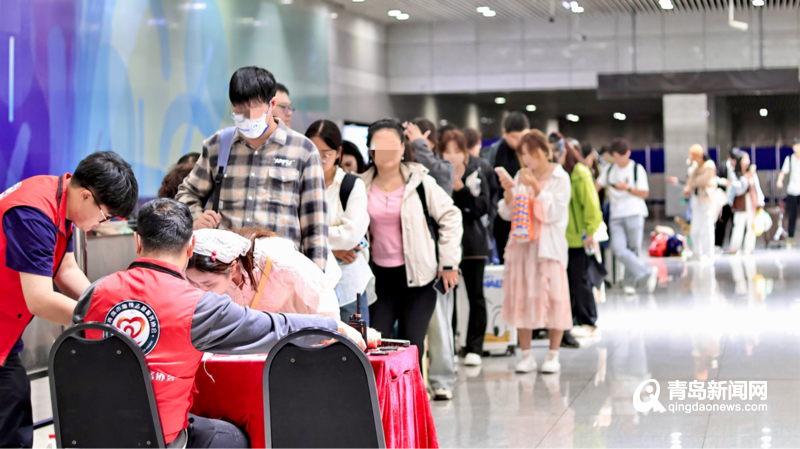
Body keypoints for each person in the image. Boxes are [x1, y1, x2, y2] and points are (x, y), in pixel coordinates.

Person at [73, 199, 369, 449]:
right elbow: (272, 328)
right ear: (191, 246)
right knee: (235, 437)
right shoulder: (197, 306)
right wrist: (333, 326)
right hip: (158, 438)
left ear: (137, 242)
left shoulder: (94, 292)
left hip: (88, 434)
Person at [0, 151, 138, 449]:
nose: (101, 224)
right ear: (87, 196)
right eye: (105, 216)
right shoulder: (33, 215)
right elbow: (40, 299)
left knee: (13, 408)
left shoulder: (60, 199)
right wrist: (102, 321)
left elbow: (65, 269)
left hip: (6, 330)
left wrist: (104, 305)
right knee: (11, 411)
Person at [175, 66, 329, 271]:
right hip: (225, 271)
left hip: (280, 273)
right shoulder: (218, 145)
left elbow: (315, 228)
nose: (246, 117)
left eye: (253, 110)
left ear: (271, 104)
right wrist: (196, 219)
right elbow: (187, 193)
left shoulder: (303, 151)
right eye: (239, 111)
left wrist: (315, 280)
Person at [361, 119, 463, 371]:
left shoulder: (420, 182)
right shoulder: (359, 185)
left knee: (412, 345)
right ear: (370, 150)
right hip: (378, 279)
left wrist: (448, 264)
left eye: (392, 144)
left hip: (419, 280)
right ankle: (383, 397)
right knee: (376, 346)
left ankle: (412, 396)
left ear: (402, 148)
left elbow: (451, 217)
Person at [497, 130, 572, 374]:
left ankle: (553, 353)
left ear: (544, 151)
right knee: (523, 296)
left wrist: (537, 189)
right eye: (524, 154)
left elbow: (556, 212)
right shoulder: (522, 175)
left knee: (554, 298)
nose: (527, 159)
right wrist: (509, 191)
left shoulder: (560, 176)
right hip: (523, 245)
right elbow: (509, 213)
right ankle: (526, 354)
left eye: (531, 153)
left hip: (548, 247)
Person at [186, 227, 340, 318]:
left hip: (296, 340)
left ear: (232, 267)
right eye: (192, 282)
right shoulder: (197, 278)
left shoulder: (279, 262)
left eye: (208, 284)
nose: (200, 290)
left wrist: (332, 333)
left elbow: (323, 299)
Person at [306, 120, 373, 322]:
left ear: (338, 152)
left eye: (325, 154)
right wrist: (332, 250)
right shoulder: (299, 184)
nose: (318, 159)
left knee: (354, 340)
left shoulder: (351, 185)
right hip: (308, 285)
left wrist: (313, 240)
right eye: (312, 151)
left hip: (348, 284)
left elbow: (350, 236)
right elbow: (291, 233)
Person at [438, 129, 491, 368]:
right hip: (447, 247)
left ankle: (475, 347)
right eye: (447, 151)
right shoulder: (437, 177)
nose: (452, 155)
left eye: (457, 151)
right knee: (448, 298)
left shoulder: (475, 174)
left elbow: (483, 206)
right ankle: (450, 347)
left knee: (475, 296)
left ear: (465, 152)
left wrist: (462, 190)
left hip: (473, 245)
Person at [596, 138, 657, 295]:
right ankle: (647, 271)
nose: (618, 160)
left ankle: (630, 283)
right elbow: (597, 186)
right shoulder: (609, 169)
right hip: (616, 215)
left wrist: (627, 189)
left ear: (628, 154)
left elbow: (644, 193)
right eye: (615, 157)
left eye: (620, 157)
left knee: (633, 249)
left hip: (634, 213)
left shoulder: (637, 169)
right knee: (618, 249)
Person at [559, 137, 602, 343]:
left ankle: (588, 321)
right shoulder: (558, 174)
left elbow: (592, 205)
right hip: (560, 239)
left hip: (578, 238)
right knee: (567, 283)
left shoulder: (580, 173)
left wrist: (590, 233)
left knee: (580, 281)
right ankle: (573, 320)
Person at [481, 112, 531, 263]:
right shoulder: (493, 153)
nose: (518, 141)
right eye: (514, 137)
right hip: (501, 214)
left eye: (522, 136)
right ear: (504, 133)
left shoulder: (532, 152)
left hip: (526, 213)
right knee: (506, 258)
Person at [682, 145, 717, 261]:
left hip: (705, 198)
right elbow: (690, 180)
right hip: (696, 198)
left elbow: (702, 180)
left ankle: (708, 253)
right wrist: (687, 188)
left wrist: (691, 186)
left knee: (706, 226)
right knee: (695, 226)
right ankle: (697, 252)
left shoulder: (709, 165)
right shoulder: (695, 167)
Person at [403, 118, 455, 194]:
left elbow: (435, 171)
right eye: (412, 148)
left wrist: (419, 144)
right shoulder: (404, 167)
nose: (415, 152)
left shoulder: (446, 167)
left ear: (432, 143)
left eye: (421, 144)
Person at [729, 151, 764, 255]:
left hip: (751, 201)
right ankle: (735, 247)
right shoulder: (734, 173)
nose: (747, 161)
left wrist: (760, 201)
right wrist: (746, 178)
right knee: (738, 224)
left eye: (748, 159)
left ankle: (749, 247)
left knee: (751, 225)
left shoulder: (752, 174)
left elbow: (757, 188)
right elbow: (738, 189)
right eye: (745, 158)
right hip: (740, 202)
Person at [777, 139, 800, 247]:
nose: (797, 148)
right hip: (792, 191)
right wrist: (779, 181)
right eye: (795, 145)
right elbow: (783, 172)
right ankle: (790, 238)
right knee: (792, 215)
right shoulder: (789, 159)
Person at [715, 152, 736, 250]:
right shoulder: (722, 166)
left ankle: (733, 245)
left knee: (734, 223)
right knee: (721, 222)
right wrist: (723, 182)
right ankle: (718, 245)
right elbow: (715, 178)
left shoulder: (737, 168)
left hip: (734, 200)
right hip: (724, 199)